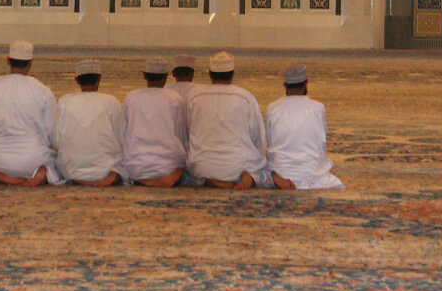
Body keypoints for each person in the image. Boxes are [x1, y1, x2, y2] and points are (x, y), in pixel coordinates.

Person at [0, 40, 60, 186]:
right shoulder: (43, 91)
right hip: (33, 159)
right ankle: (41, 173)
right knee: (58, 160)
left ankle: (0, 175)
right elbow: (51, 133)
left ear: (8, 60)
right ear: (30, 63)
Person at [186, 52, 271, 189]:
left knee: (187, 174)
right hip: (239, 166)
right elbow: (258, 140)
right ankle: (249, 178)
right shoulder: (246, 97)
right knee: (266, 173)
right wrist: (258, 162)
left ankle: (211, 180)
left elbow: (186, 134)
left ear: (209, 74)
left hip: (203, 166)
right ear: (232, 74)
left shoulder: (194, 97)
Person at [266, 65, 344, 190]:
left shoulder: (272, 109)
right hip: (312, 175)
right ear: (306, 84)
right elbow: (322, 140)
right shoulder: (318, 108)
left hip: (282, 175)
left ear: (285, 85)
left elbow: (270, 143)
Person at [53, 59, 127, 187]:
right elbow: (122, 140)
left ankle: (78, 179)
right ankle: (110, 178)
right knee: (127, 164)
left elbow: (55, 142)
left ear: (76, 80)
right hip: (105, 171)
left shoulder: (64, 101)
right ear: (99, 79)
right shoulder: (111, 102)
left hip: (72, 171)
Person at [122, 57, 188, 187]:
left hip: (137, 167)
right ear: (166, 76)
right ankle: (167, 180)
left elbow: (125, 135)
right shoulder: (174, 98)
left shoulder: (132, 97)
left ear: (144, 75)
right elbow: (181, 137)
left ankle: (145, 180)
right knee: (186, 170)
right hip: (168, 168)